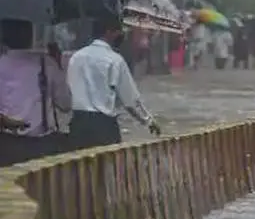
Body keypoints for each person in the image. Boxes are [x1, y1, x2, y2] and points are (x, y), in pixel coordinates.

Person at [66, 17, 161, 150]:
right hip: (104, 127)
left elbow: (67, 93)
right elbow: (130, 100)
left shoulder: (76, 57)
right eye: (120, 31)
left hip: (78, 125)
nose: (122, 34)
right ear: (109, 32)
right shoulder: (115, 60)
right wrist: (148, 121)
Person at [0, 19, 72, 166]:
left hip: (6, 144)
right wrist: (58, 66)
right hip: (40, 145)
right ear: (30, 35)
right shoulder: (46, 63)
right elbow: (65, 104)